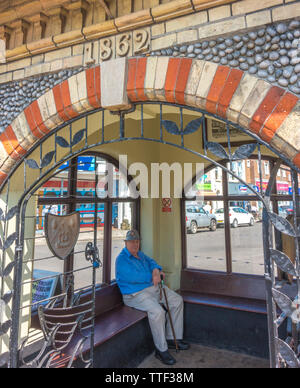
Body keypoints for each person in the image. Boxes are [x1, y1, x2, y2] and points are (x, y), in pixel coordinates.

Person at [115, 229, 190, 365]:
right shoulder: (121, 259)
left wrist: (156, 270)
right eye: (131, 242)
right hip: (135, 294)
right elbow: (132, 277)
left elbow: (153, 262)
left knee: (177, 301)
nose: (134, 244)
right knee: (158, 312)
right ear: (125, 243)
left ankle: (173, 338)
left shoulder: (141, 255)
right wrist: (154, 276)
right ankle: (161, 350)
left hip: (152, 288)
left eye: (137, 242)